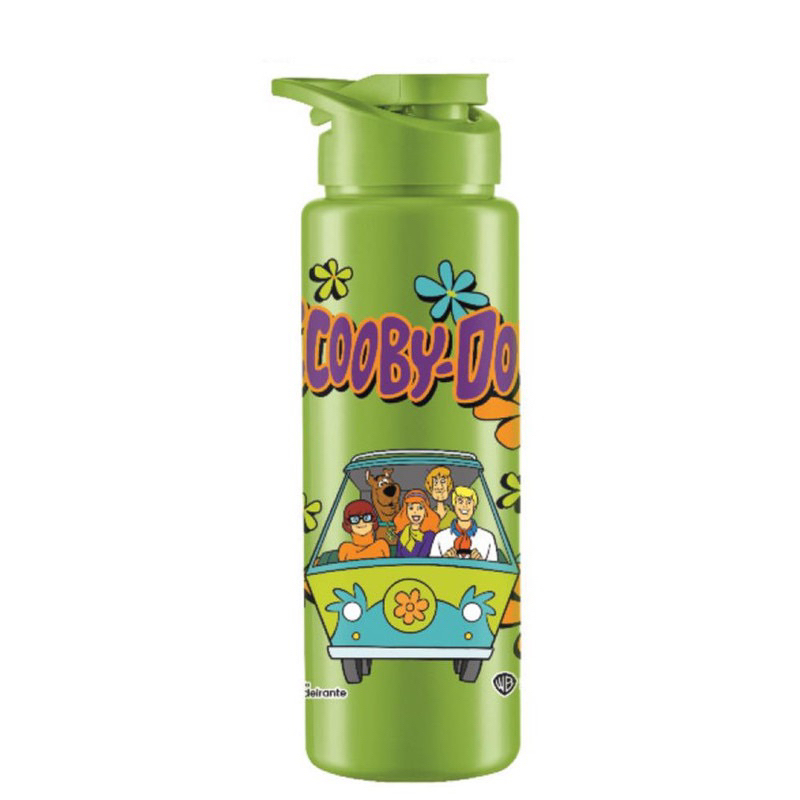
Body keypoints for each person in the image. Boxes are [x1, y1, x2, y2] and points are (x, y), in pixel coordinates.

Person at [429, 486, 498, 561]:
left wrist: (481, 563)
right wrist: (444, 562)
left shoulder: (487, 538)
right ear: (454, 506)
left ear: (474, 507)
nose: (464, 506)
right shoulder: (440, 537)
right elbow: (432, 566)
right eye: (460, 502)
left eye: (468, 502)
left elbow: (494, 566)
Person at [393, 489, 439, 558]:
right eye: (411, 508)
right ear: (406, 511)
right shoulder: (402, 534)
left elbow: (423, 557)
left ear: (426, 511)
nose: (415, 511)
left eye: (420, 508)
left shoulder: (429, 535)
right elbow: (398, 557)